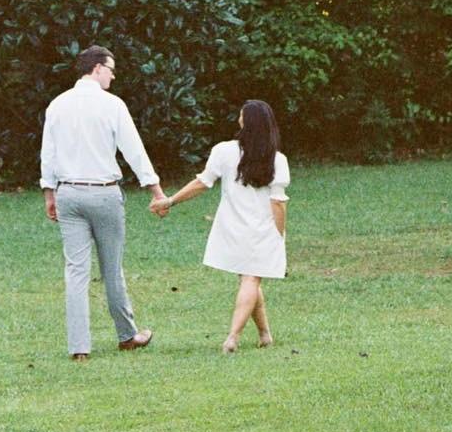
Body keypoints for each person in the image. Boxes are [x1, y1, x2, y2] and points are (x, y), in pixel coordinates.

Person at [40, 44, 168, 361]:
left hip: (69, 193)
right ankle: (127, 335)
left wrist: (49, 193)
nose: (113, 76)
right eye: (111, 69)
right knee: (112, 268)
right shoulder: (112, 105)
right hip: (104, 193)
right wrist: (155, 190)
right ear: (97, 68)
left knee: (76, 271)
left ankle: (79, 347)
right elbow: (134, 150)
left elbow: (48, 153)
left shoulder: (57, 104)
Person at [150, 99, 289, 353]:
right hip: (262, 229)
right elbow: (278, 203)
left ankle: (265, 335)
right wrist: (279, 235)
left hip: (232, 227)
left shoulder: (224, 151)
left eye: (241, 115)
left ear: (246, 122)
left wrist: (170, 200)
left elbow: (202, 183)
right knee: (251, 279)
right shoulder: (277, 159)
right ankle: (232, 337)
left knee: (249, 279)